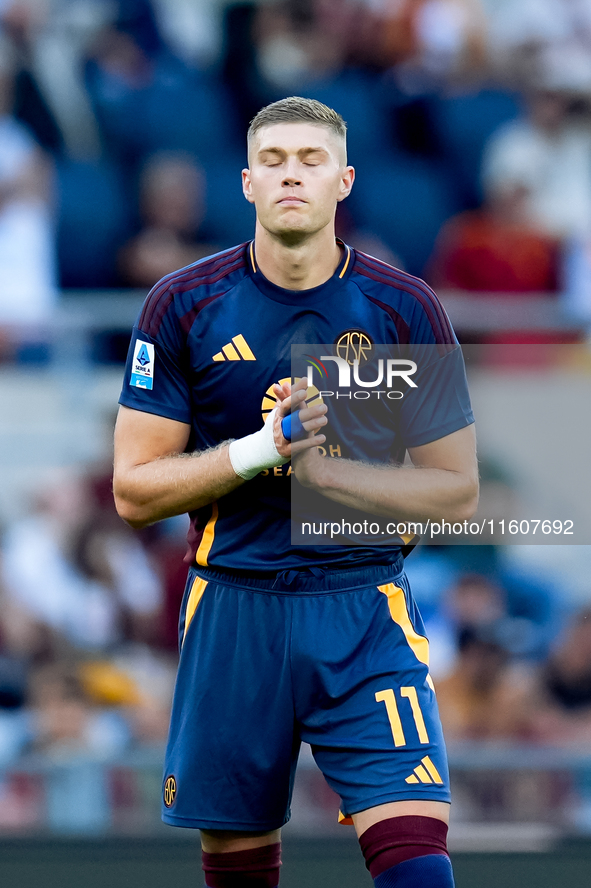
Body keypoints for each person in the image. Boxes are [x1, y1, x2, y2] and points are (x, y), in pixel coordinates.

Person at [113, 97, 478, 888]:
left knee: (419, 870)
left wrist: (325, 473)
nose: (291, 176)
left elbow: (456, 494)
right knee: (239, 871)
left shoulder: (402, 307)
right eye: (273, 161)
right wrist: (259, 450)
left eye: (310, 161)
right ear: (245, 182)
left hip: (361, 607)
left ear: (342, 180)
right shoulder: (182, 305)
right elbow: (134, 492)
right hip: (232, 609)